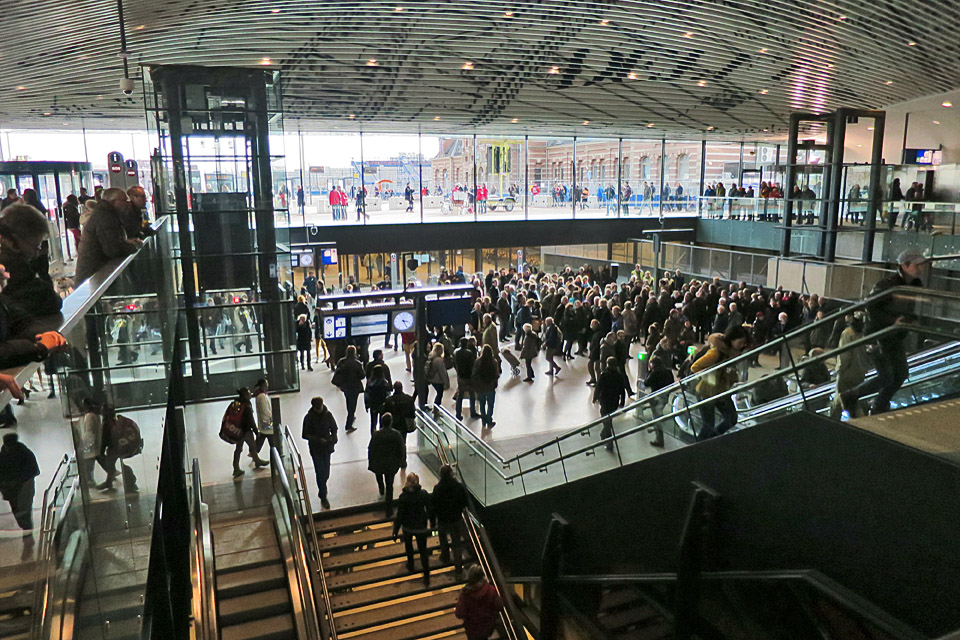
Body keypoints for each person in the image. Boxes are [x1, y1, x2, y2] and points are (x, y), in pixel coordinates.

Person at [841, 249, 929, 415]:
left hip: (894, 335)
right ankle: (852, 396)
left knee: (901, 373)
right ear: (905, 265)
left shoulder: (915, 285)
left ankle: (878, 405)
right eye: (917, 265)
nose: (921, 269)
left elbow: (906, 308)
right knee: (886, 376)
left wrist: (911, 319)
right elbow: (871, 306)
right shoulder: (887, 285)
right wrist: (892, 321)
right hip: (877, 335)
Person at [689, 326, 750, 440]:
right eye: (740, 342)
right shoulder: (716, 353)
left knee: (732, 418)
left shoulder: (732, 354)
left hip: (721, 392)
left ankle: (713, 439)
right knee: (708, 425)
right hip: (707, 392)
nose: (742, 345)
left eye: (744, 343)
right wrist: (711, 375)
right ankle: (698, 446)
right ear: (731, 340)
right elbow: (695, 367)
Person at [75, 188, 142, 283]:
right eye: (125, 200)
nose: (128, 203)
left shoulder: (107, 214)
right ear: (114, 201)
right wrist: (134, 246)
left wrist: (126, 242)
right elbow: (112, 249)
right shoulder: (104, 217)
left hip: (97, 273)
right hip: (93, 277)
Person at [393, 472, 433, 585]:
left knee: (409, 545)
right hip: (421, 526)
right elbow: (430, 509)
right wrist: (433, 522)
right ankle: (426, 576)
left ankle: (411, 565)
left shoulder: (403, 497)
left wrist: (395, 531)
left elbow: (399, 515)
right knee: (423, 550)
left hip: (408, 527)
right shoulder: (423, 494)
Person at [432, 464, 468, 576]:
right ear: (451, 473)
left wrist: (435, 518)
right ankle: (458, 567)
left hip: (442, 519)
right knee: (456, 543)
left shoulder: (437, 488)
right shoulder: (459, 486)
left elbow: (434, 505)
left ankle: (445, 556)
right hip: (456, 518)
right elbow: (465, 502)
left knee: (443, 538)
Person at [302, 397, 337, 509]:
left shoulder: (328, 415)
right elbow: (305, 434)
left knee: (326, 471)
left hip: (326, 447)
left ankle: (323, 487)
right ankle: (323, 494)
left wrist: (333, 437)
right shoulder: (308, 418)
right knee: (319, 470)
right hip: (316, 448)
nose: (319, 410)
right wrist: (317, 439)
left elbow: (334, 428)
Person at [831, 313, 868, 419]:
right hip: (860, 372)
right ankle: (858, 420)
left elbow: (844, 355)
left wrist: (839, 369)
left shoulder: (848, 333)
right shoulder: (864, 334)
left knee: (839, 400)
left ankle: (832, 422)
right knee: (855, 398)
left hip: (847, 372)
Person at [0, 433, 39, 533]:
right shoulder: (25, 453)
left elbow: (32, 470)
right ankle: (26, 529)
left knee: (23, 511)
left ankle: (27, 530)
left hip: (22, 488)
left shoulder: (23, 453)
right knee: (19, 511)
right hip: (12, 489)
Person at [368, 412, 406, 515]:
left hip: (379, 463)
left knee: (379, 476)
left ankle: (381, 488)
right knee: (390, 485)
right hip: (391, 464)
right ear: (391, 422)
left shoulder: (376, 434)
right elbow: (401, 449)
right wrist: (400, 462)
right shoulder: (396, 434)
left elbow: (371, 449)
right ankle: (389, 509)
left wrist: (371, 462)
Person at [226, 389, 269, 477]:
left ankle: (236, 468)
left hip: (237, 430)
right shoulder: (247, 406)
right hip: (246, 431)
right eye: (249, 393)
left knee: (238, 449)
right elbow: (251, 420)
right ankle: (257, 461)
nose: (250, 395)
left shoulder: (236, 403)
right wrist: (256, 431)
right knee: (252, 446)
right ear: (245, 395)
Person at [455, 564, 504, 640]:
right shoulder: (491, 590)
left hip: (472, 629)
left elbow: (459, 613)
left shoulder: (465, 594)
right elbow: (499, 605)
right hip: (487, 626)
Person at [594, 356, 627, 450]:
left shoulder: (604, 375)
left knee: (606, 420)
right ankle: (604, 434)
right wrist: (622, 402)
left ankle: (609, 442)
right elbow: (622, 389)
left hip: (605, 400)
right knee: (609, 419)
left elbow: (598, 387)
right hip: (614, 401)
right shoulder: (619, 375)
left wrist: (595, 397)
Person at [333, 345, 365, 433]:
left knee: (348, 401)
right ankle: (349, 424)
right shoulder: (357, 363)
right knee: (353, 404)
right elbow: (362, 376)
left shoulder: (342, 361)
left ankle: (351, 416)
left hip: (345, 386)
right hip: (355, 387)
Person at [644, 355, 675, 447]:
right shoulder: (668, 371)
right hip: (665, 396)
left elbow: (646, 383)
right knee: (658, 414)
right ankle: (655, 429)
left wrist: (649, 372)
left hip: (655, 397)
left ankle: (659, 438)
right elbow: (672, 383)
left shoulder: (654, 373)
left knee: (657, 416)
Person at [472, 345, 499, 428]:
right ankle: (489, 419)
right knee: (490, 405)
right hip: (490, 386)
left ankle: (483, 420)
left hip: (481, 387)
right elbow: (496, 374)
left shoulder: (478, 361)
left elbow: (474, 374)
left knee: (482, 404)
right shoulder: (494, 361)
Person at [454, 338, 479, 420]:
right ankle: (473, 412)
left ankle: (458, 413)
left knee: (460, 394)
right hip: (469, 376)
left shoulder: (457, 353)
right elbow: (472, 364)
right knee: (472, 394)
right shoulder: (469, 353)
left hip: (461, 376)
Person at [365, 364, 392, 433]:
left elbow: (367, 394)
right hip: (382, 404)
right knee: (382, 421)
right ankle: (381, 434)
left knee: (373, 422)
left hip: (373, 404)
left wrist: (367, 404)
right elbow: (388, 394)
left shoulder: (370, 382)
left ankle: (373, 434)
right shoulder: (385, 382)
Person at [252, 378, 274, 455]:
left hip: (264, 423)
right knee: (271, 438)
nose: (267, 385)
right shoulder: (262, 396)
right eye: (266, 384)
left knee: (263, 436)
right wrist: (273, 417)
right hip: (267, 422)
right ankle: (274, 452)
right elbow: (265, 411)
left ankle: (254, 452)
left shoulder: (262, 395)